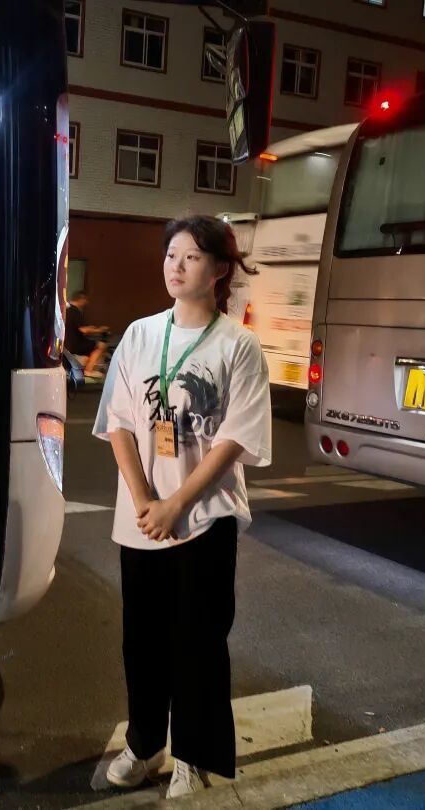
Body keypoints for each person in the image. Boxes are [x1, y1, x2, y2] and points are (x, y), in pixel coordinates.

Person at [92, 215, 270, 799]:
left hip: (205, 520)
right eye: (171, 254)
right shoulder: (140, 334)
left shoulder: (238, 344)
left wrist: (176, 503)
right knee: (140, 643)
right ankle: (146, 745)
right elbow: (119, 422)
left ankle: (195, 756)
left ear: (219, 269)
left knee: (199, 643)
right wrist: (145, 499)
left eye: (191, 257)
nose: (176, 266)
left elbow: (235, 438)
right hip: (141, 521)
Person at [65, 290, 108, 379]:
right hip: (74, 344)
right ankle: (88, 370)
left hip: (66, 344)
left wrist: (91, 328)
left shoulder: (66, 309)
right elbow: (83, 330)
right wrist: (100, 330)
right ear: (81, 299)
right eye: (85, 300)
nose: (86, 303)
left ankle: (86, 367)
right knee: (102, 345)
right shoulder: (75, 310)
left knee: (90, 345)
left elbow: (78, 326)